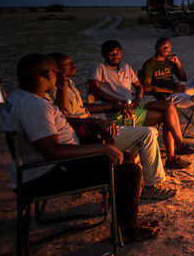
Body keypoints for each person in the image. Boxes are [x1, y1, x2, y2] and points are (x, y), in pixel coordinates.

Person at [1, 53, 160, 243]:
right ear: (46, 75)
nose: (60, 76)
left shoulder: (21, 97)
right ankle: (127, 231)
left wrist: (92, 123)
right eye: (56, 73)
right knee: (130, 172)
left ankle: (123, 218)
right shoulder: (34, 106)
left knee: (124, 157)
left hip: (43, 168)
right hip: (44, 174)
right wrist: (99, 149)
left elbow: (54, 123)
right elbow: (53, 151)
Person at [47, 53, 176, 200]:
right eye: (68, 63)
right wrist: (95, 121)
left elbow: (82, 108)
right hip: (83, 135)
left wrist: (114, 105)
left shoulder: (69, 83)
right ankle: (149, 186)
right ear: (56, 70)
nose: (73, 64)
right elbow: (62, 118)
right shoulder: (53, 89)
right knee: (147, 133)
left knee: (151, 132)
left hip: (93, 127)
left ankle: (128, 174)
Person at [88, 40, 194, 170]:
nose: (115, 56)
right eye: (111, 53)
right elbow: (94, 88)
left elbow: (139, 86)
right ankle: (172, 156)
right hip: (119, 112)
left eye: (118, 52)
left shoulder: (126, 68)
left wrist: (137, 98)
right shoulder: (99, 67)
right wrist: (116, 102)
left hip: (134, 105)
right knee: (167, 117)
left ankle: (179, 146)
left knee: (169, 106)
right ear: (104, 54)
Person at [140, 37, 194, 150]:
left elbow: (183, 78)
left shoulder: (169, 61)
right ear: (156, 47)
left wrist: (178, 63)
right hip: (168, 96)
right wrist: (172, 91)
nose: (166, 49)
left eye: (168, 47)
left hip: (179, 90)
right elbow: (147, 86)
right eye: (163, 46)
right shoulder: (150, 63)